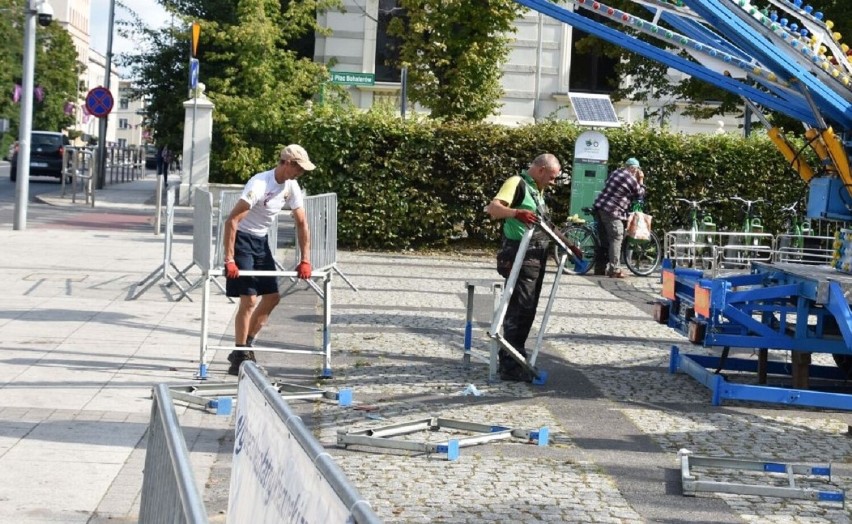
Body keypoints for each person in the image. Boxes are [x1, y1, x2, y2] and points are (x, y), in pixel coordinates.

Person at [486, 153, 581, 382]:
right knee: (519, 311)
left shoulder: (537, 192)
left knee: (527, 311)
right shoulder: (516, 183)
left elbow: (545, 225)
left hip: (535, 256)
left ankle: (517, 358)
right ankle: (510, 365)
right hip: (517, 253)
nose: (553, 182)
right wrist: (516, 213)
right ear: (540, 170)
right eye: (552, 177)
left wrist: (569, 246)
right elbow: (493, 209)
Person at [222, 144, 316, 375]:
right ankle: (240, 355)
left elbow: (302, 223)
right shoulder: (259, 184)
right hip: (243, 240)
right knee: (249, 300)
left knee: (273, 297)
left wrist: (305, 259)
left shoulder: (292, 186)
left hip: (261, 242)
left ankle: (245, 346)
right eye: (298, 168)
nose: (300, 173)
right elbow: (232, 221)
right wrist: (229, 259)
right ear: (286, 163)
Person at [592, 157, 646, 278]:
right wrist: (641, 179)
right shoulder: (630, 178)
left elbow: (621, 189)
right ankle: (615, 270)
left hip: (600, 207)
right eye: (637, 170)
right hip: (612, 211)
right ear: (633, 169)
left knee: (604, 241)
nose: (637, 172)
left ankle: (599, 268)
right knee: (617, 237)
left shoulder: (616, 172)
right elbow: (640, 194)